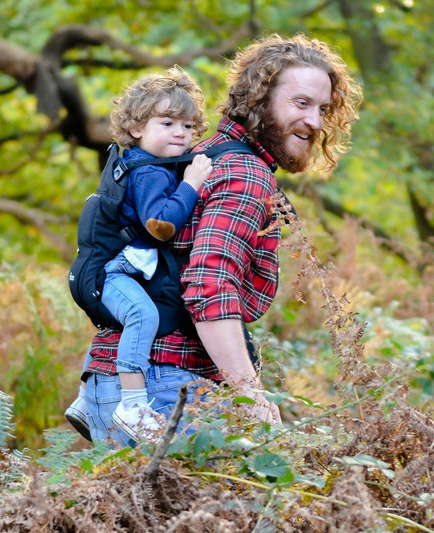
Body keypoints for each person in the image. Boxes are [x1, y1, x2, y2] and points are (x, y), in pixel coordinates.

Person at [67, 33, 362, 447]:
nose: (315, 121)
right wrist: (251, 397)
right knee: (266, 477)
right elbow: (210, 285)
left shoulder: (197, 154)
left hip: (111, 382)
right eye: (301, 103)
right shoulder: (245, 174)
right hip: (160, 390)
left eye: (323, 109)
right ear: (259, 101)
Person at [66, 67, 212, 442]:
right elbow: (160, 224)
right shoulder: (150, 172)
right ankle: (132, 403)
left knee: (121, 320)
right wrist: (192, 185)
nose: (180, 133)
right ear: (135, 127)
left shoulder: (132, 161)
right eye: (167, 123)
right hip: (116, 272)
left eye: (188, 126)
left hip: (115, 268)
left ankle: (85, 398)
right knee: (141, 314)